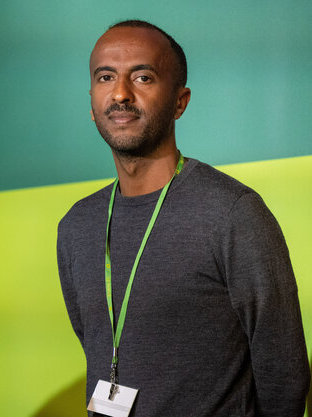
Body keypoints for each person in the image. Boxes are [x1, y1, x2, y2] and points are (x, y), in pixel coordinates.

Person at [57, 20, 309, 416]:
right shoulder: (76, 226)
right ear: (92, 101)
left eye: (143, 77)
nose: (121, 93)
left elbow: (284, 371)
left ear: (180, 101)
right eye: (106, 77)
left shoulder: (232, 213)